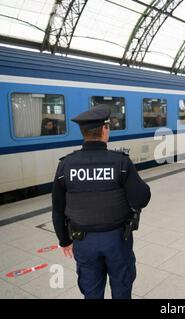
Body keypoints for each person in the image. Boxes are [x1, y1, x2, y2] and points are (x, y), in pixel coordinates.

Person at [52, 104, 151, 299]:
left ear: (83, 132)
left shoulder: (66, 165)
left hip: (83, 241)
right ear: (105, 129)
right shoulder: (121, 162)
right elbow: (142, 198)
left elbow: (57, 208)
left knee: (91, 291)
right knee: (121, 289)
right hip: (117, 239)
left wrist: (64, 240)